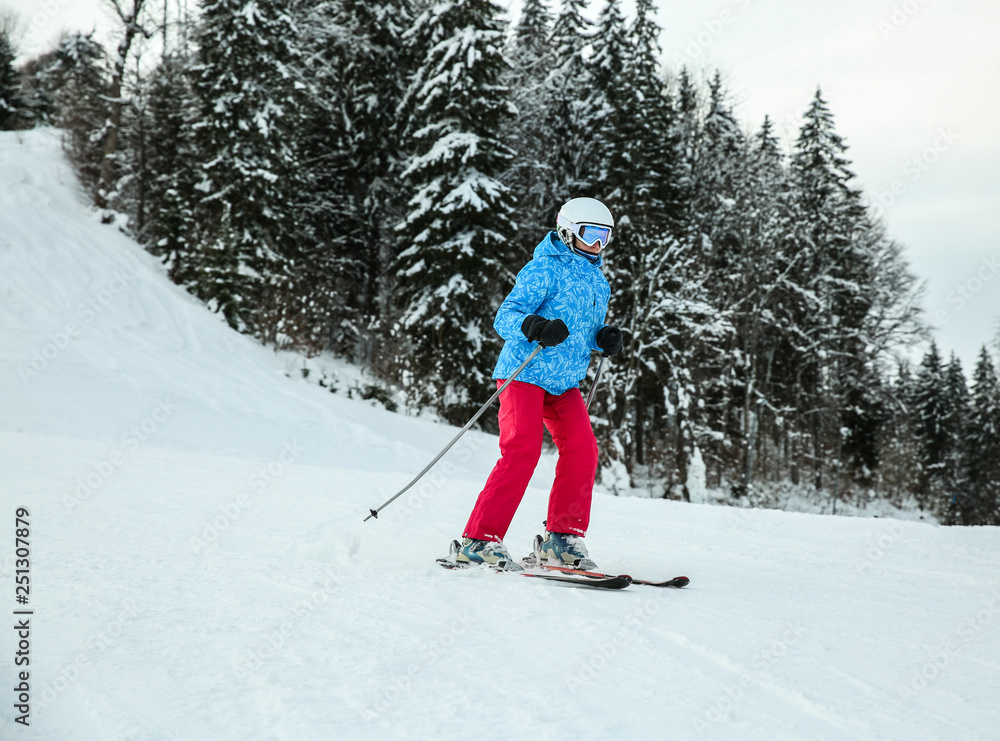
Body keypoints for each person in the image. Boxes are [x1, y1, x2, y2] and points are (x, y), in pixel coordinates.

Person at [454, 197, 623, 572]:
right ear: (567, 231)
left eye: (604, 237)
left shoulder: (599, 280)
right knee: (523, 450)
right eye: (590, 234)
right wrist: (533, 326)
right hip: (524, 373)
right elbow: (506, 316)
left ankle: (561, 539)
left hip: (564, 382)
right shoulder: (543, 269)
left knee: (583, 449)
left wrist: (603, 337)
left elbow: (583, 331)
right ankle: (479, 541)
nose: (597, 245)